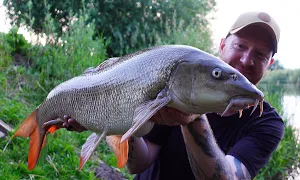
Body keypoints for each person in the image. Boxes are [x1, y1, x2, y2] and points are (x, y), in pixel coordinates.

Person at [62, 11, 284, 180]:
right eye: (241, 45)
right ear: (223, 45)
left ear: (270, 63)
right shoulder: (179, 80)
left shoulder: (268, 123)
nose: (246, 60)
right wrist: (112, 119)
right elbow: (138, 164)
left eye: (260, 55)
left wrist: (194, 117)